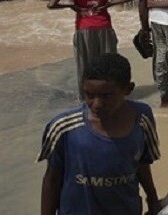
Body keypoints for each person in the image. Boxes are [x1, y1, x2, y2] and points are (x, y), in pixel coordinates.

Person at [38, 53, 161, 215]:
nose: (96, 104)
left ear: (128, 89)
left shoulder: (142, 118)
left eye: (106, 96)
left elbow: (142, 163)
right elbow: (52, 179)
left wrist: (152, 199)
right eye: (89, 95)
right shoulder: (63, 127)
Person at [49, 0, 135, 99]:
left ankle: (86, 97)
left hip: (84, 29)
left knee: (85, 65)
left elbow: (51, 4)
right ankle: (113, 95)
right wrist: (109, 4)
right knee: (109, 65)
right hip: (104, 28)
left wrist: (71, 7)